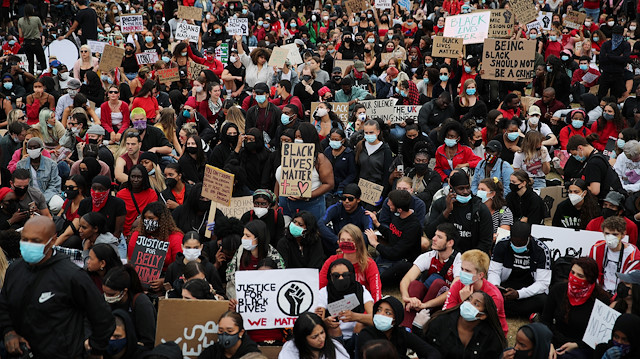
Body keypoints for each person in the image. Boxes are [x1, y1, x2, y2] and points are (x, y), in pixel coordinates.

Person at [0, 216, 115, 357]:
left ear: (52, 240)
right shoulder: (14, 270)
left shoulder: (72, 276)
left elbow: (102, 317)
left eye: (36, 241)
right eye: (25, 239)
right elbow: (4, 304)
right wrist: (8, 331)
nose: (29, 245)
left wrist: (95, 349)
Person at [542, 257, 611, 358]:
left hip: (582, 347)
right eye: (572, 272)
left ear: (590, 279)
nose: (574, 278)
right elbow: (545, 321)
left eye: (580, 275)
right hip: (555, 340)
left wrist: (577, 345)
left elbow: (599, 336)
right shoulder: (557, 289)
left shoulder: (601, 299)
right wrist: (549, 344)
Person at [399, 222, 461, 327]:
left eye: (439, 237)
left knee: (438, 282)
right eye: (435, 235)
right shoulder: (429, 256)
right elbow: (407, 279)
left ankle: (418, 321)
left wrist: (424, 305)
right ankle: (406, 327)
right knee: (415, 284)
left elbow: (453, 291)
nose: (434, 239)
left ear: (450, 243)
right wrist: (406, 298)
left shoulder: (459, 260)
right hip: (423, 301)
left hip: (444, 305)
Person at [488, 221, 551, 317]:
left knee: (544, 301)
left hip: (530, 289)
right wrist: (496, 287)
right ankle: (528, 314)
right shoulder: (502, 244)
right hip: (507, 287)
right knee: (488, 294)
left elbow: (542, 283)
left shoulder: (541, 250)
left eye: (521, 243)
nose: (517, 246)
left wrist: (519, 294)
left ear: (529, 237)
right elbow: (494, 272)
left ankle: (499, 309)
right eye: (514, 242)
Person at [425, 171, 493, 254]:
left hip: (470, 257)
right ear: (452, 189)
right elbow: (430, 233)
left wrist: (469, 259)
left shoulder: (480, 208)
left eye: (468, 188)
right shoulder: (440, 204)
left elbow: (486, 242)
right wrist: (447, 211)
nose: (465, 192)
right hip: (444, 254)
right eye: (461, 188)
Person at [422, 291, 507, 359]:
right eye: (469, 299)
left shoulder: (490, 338)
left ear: (482, 315)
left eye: (476, 304)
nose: (469, 304)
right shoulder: (441, 322)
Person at [443, 249, 509, 336]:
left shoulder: (493, 295)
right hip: (463, 328)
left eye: (468, 271)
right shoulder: (458, 285)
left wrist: (466, 302)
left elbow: (482, 325)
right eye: (462, 269)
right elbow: (446, 313)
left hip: (490, 335)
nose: (462, 273)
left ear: (480, 275)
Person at [314, 259, 374, 352]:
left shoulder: (361, 290)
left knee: (361, 325)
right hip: (334, 335)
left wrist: (355, 316)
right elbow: (317, 319)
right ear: (330, 277)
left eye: (345, 275)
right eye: (336, 276)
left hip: (357, 333)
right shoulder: (323, 292)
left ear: (351, 275)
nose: (341, 278)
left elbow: (374, 318)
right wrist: (326, 322)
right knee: (333, 328)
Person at [365, 190, 422, 285]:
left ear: (399, 209)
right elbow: (392, 235)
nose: (387, 204)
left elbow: (396, 253)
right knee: (365, 270)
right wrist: (377, 224)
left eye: (390, 204)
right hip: (389, 256)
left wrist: (375, 244)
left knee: (374, 280)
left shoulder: (413, 226)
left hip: (401, 261)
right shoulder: (398, 216)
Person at [357, 296, 441, 359]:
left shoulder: (401, 333)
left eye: (388, 313)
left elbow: (432, 352)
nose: (381, 314)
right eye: (379, 310)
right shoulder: (366, 335)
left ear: (395, 319)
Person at [226, 220, 285, 299]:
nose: (243, 238)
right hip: (242, 294)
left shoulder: (273, 255)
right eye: (243, 235)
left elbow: (280, 278)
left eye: (248, 236)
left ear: (259, 238)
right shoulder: (241, 250)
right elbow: (230, 274)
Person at [102, 265, 157, 349]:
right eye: (105, 293)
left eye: (111, 294)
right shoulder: (105, 302)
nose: (107, 297)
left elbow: (148, 341)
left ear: (124, 291)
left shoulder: (141, 303)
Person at [588, 216, 640, 294]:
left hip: (621, 295)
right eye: (607, 233)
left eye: (615, 234)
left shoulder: (633, 256)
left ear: (623, 234)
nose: (610, 238)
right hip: (599, 293)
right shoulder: (597, 249)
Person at [318, 183, 373, 254]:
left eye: (350, 199)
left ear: (358, 200)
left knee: (364, 236)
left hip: (355, 246)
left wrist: (349, 245)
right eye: (343, 198)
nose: (346, 201)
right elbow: (320, 223)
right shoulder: (335, 208)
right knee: (323, 230)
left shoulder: (365, 214)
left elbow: (369, 231)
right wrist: (337, 240)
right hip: (337, 243)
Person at [567, 135, 622, 199]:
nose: (576, 157)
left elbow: (595, 190)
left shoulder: (594, 162)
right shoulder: (598, 156)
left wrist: (578, 187)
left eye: (575, 154)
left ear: (580, 148)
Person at [279, 312, 350, 359]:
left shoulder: (335, 347)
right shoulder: (290, 350)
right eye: (314, 337)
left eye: (322, 332)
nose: (321, 339)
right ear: (303, 338)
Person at [16, 137, 61, 204]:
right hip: (27, 196)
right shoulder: (21, 164)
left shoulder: (51, 164)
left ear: (41, 149)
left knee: (58, 203)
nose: (32, 150)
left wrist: (42, 199)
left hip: (47, 195)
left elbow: (54, 185)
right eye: (30, 148)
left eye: (35, 147)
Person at [116, 165, 159, 237]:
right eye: (133, 176)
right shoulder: (121, 194)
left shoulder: (151, 194)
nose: (135, 180)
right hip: (123, 236)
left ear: (144, 178)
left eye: (139, 177)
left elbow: (153, 216)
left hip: (144, 236)